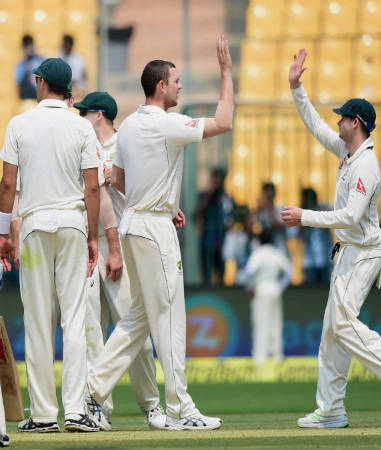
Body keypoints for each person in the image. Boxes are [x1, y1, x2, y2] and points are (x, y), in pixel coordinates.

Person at [85, 35, 234, 431]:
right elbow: (224, 122)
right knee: (169, 317)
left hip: (136, 221)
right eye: (177, 80)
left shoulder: (130, 125)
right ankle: (181, 408)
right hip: (152, 228)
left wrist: (160, 199)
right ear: (162, 86)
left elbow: (116, 179)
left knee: (138, 318)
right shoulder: (166, 124)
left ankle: (91, 392)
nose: (181, 86)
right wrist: (226, 72)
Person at [281, 48, 381, 428]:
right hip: (347, 252)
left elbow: (351, 216)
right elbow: (315, 126)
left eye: (343, 117)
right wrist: (297, 87)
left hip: (364, 253)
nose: (338, 122)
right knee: (332, 334)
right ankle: (331, 410)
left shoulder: (366, 165)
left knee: (343, 325)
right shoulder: (347, 152)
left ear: (356, 123)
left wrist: (304, 216)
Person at [0, 58, 101, 432]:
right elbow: (92, 187)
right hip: (73, 224)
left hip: (33, 226)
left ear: (40, 83)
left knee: (38, 321)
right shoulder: (81, 127)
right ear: (68, 90)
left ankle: (43, 415)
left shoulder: (19, 123)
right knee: (74, 318)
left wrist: (0, 233)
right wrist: (92, 235)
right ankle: (76, 411)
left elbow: (8, 185)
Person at [74, 91, 164, 429]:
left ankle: (152, 406)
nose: (79, 117)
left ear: (98, 115)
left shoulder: (124, 143)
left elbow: (145, 187)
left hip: (120, 246)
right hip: (86, 245)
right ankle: (98, 409)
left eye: (84, 113)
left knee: (132, 327)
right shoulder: (80, 147)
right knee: (90, 331)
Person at [244, 231, 292, 369]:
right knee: (276, 322)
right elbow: (289, 271)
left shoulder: (258, 254)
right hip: (274, 288)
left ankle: (260, 359)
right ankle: (277, 356)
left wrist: (250, 287)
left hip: (261, 288)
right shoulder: (276, 253)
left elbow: (249, 271)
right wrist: (280, 286)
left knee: (261, 322)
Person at [195, 168, 234, 286]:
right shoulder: (205, 196)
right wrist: (209, 194)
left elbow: (233, 216)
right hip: (207, 241)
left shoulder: (226, 198)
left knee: (221, 274)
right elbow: (197, 214)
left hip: (222, 241)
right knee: (206, 274)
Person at [298, 187, 333, 284]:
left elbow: (333, 216)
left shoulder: (322, 209)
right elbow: (299, 235)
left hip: (325, 257)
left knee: (326, 287)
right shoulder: (301, 214)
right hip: (309, 260)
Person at [252, 182, 287, 255]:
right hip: (261, 250)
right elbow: (249, 227)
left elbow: (280, 227)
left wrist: (269, 209)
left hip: (278, 249)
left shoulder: (280, 209)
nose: (267, 198)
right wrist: (256, 209)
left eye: (269, 196)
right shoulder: (259, 210)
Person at [14, 35, 44, 100]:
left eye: (30, 45)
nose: (29, 48)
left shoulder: (40, 60)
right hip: (27, 96)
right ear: (23, 47)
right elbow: (19, 82)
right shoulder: (20, 65)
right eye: (26, 46)